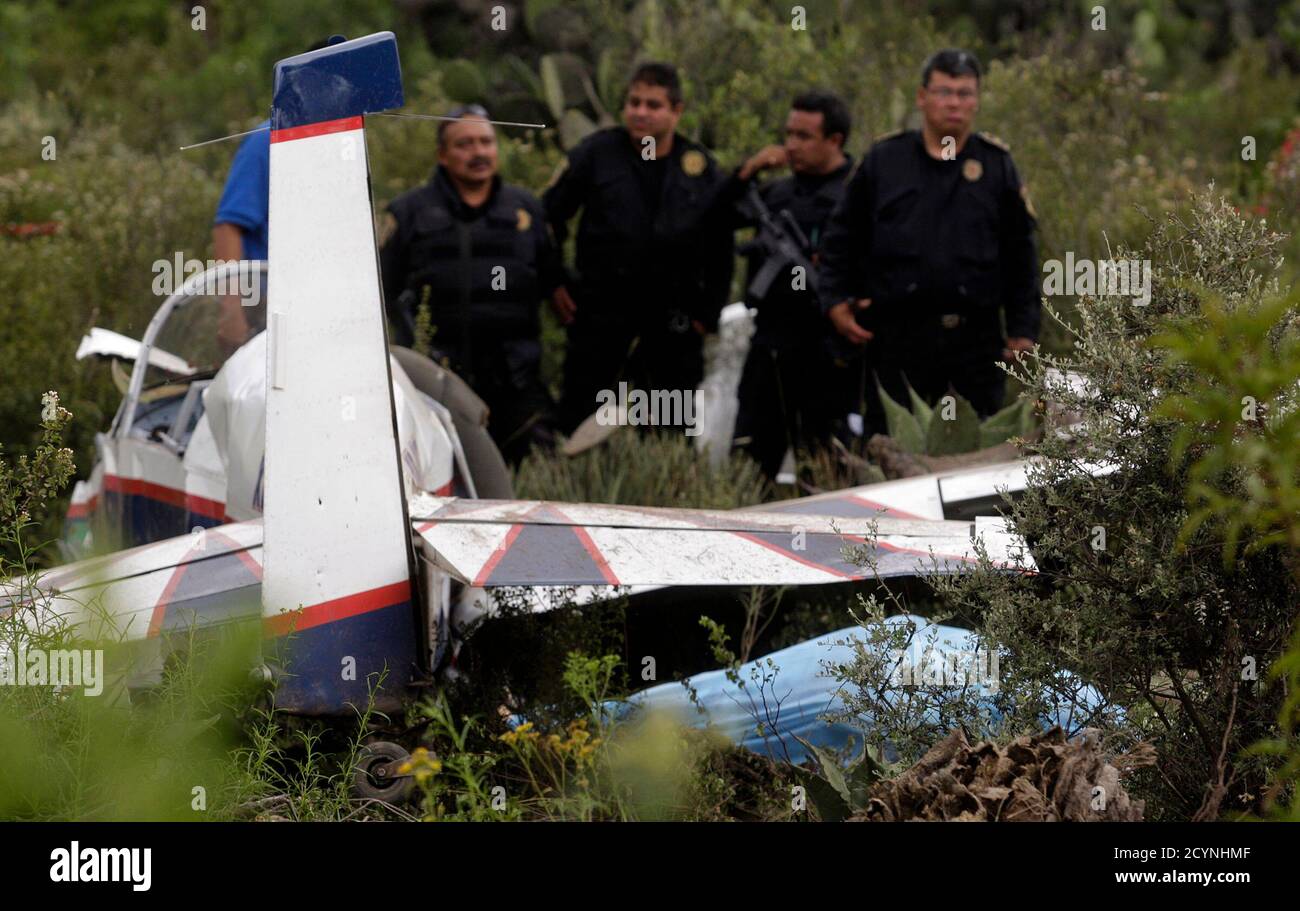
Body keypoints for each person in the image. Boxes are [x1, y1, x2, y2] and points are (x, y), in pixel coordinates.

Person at [818, 49, 1040, 434]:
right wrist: (835, 301)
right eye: (944, 91)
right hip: (898, 338)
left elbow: (1020, 254)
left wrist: (1023, 329)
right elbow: (841, 238)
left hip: (974, 342)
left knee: (974, 455)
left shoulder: (996, 164)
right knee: (891, 446)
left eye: (965, 93)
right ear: (922, 97)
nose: (955, 102)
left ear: (977, 99)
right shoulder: (886, 160)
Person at [543, 62, 734, 434]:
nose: (640, 113)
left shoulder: (698, 167)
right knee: (582, 425)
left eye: (653, 105)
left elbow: (720, 244)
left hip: (672, 324)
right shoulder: (596, 154)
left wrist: (707, 314)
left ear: (676, 111)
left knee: (666, 431)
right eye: (634, 103)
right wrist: (554, 281)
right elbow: (549, 217)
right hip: (601, 313)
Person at [379, 105, 563, 464]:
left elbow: (554, 285)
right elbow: (381, 292)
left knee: (542, 481)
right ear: (442, 155)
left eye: (486, 142)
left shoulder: (527, 210)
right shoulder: (408, 214)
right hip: (438, 388)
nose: (478, 153)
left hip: (517, 384)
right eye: (464, 144)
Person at [727, 91, 854, 478]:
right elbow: (714, 217)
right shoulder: (775, 192)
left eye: (804, 136)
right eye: (789, 134)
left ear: (834, 141)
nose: (791, 145)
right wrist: (746, 172)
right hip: (770, 345)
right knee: (748, 466)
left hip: (826, 349)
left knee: (823, 471)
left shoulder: (857, 191)